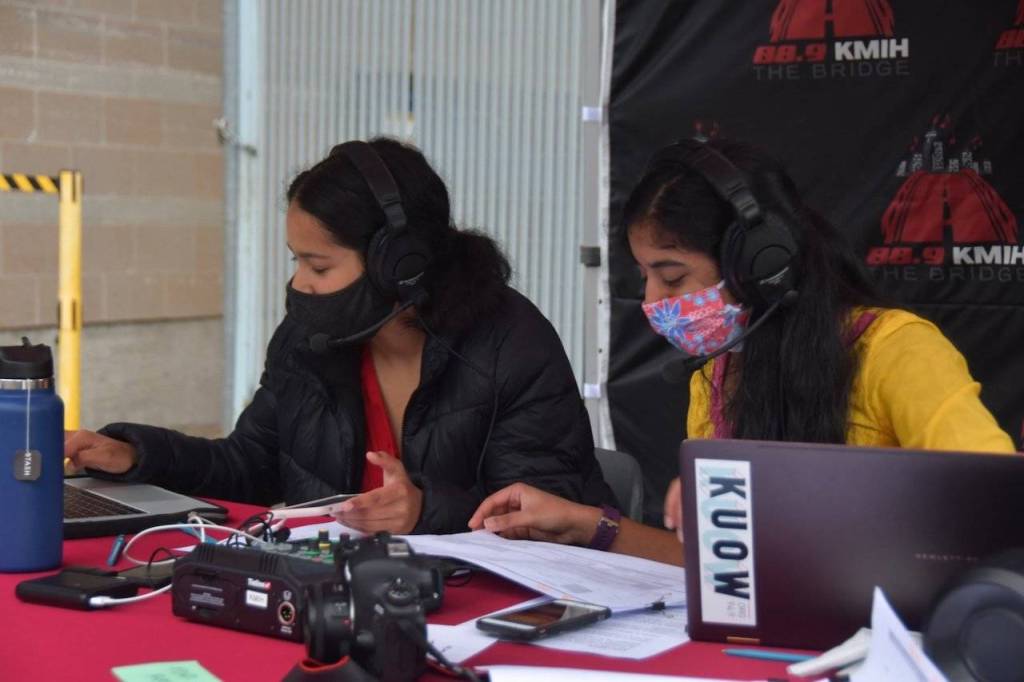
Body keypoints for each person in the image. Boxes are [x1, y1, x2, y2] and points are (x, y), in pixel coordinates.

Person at [469, 138, 1016, 565]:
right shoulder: (716, 377)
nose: (652, 303)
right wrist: (586, 524)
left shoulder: (895, 349)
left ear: (760, 263)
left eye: (672, 277)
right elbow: (710, 568)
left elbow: (996, 500)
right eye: (645, 279)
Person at [65, 137, 613, 535]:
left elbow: (540, 518)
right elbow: (250, 464)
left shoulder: (513, 345)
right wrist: (136, 454)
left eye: (319, 267)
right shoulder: (311, 336)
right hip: (341, 594)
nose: (299, 283)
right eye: (296, 261)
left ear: (400, 265)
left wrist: (424, 513)